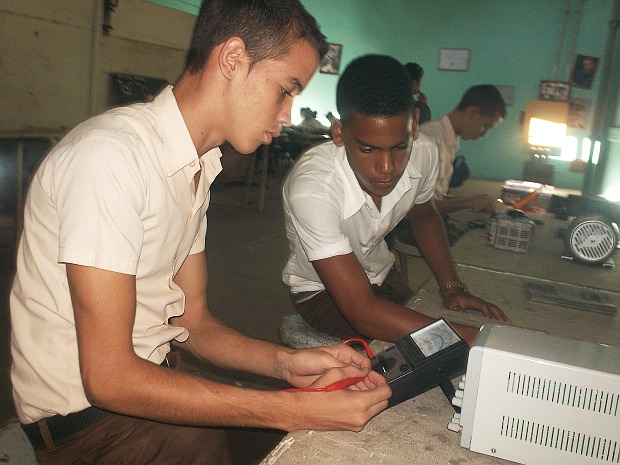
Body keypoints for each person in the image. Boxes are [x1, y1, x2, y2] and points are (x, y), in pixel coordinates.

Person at [9, 2, 391, 464]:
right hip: (95, 429)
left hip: (155, 381)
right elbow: (108, 378)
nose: (288, 115)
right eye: (284, 91)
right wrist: (291, 409)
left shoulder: (196, 168)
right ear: (232, 59)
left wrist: (286, 366)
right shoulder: (110, 158)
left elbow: (193, 324)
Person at [281, 54, 509, 346]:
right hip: (321, 292)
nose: (387, 167)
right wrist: (468, 339)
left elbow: (424, 215)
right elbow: (362, 312)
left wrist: (451, 286)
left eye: (400, 147)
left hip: (381, 275)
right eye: (368, 150)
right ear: (339, 133)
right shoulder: (313, 188)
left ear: (414, 124)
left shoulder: (425, 153)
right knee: (408, 355)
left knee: (427, 329)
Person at [420, 85, 507, 215]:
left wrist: (472, 200)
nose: (484, 134)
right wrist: (467, 203)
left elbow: (436, 197)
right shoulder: (431, 139)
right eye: (486, 126)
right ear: (474, 113)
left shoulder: (448, 140)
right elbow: (419, 207)